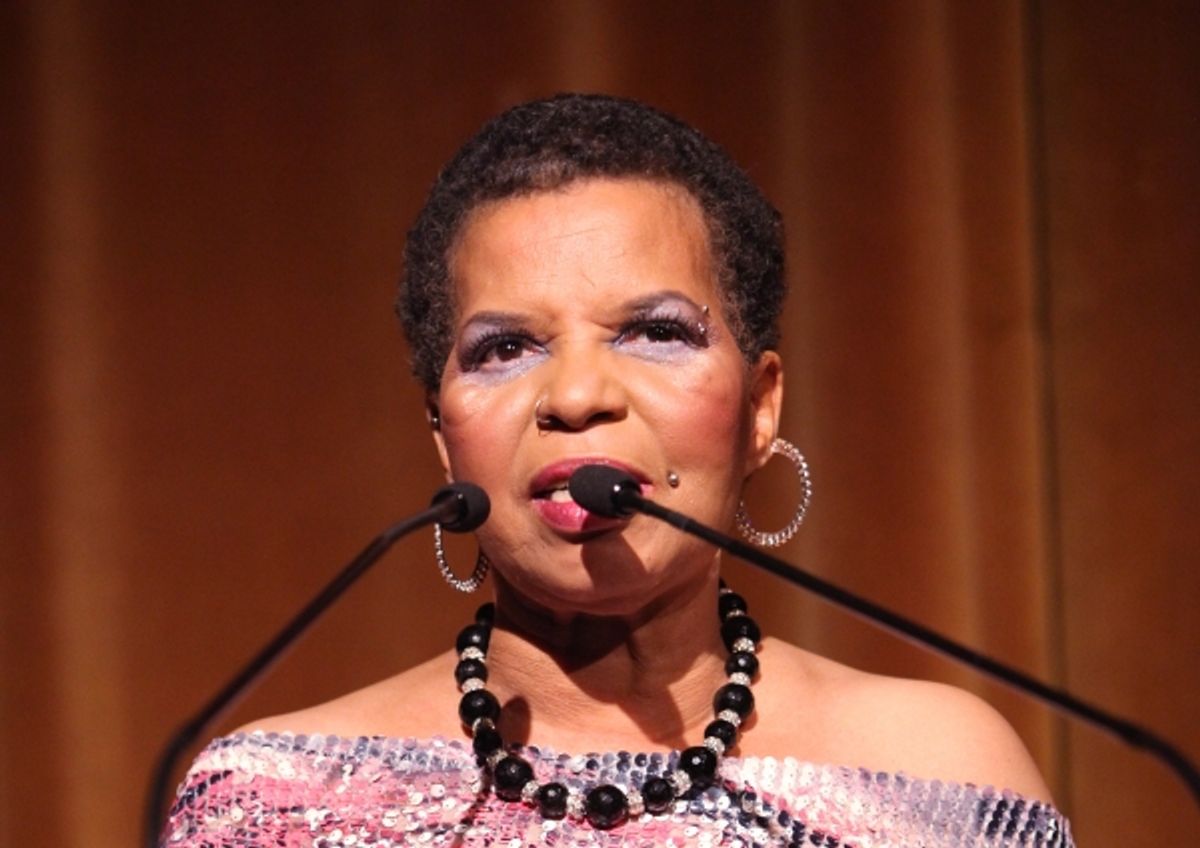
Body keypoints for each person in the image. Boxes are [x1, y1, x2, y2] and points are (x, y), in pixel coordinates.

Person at [160, 94, 1074, 846]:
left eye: (655, 333)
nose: (577, 396)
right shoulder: (265, 805)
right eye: (506, 347)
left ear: (760, 409)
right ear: (444, 438)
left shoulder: (941, 786)